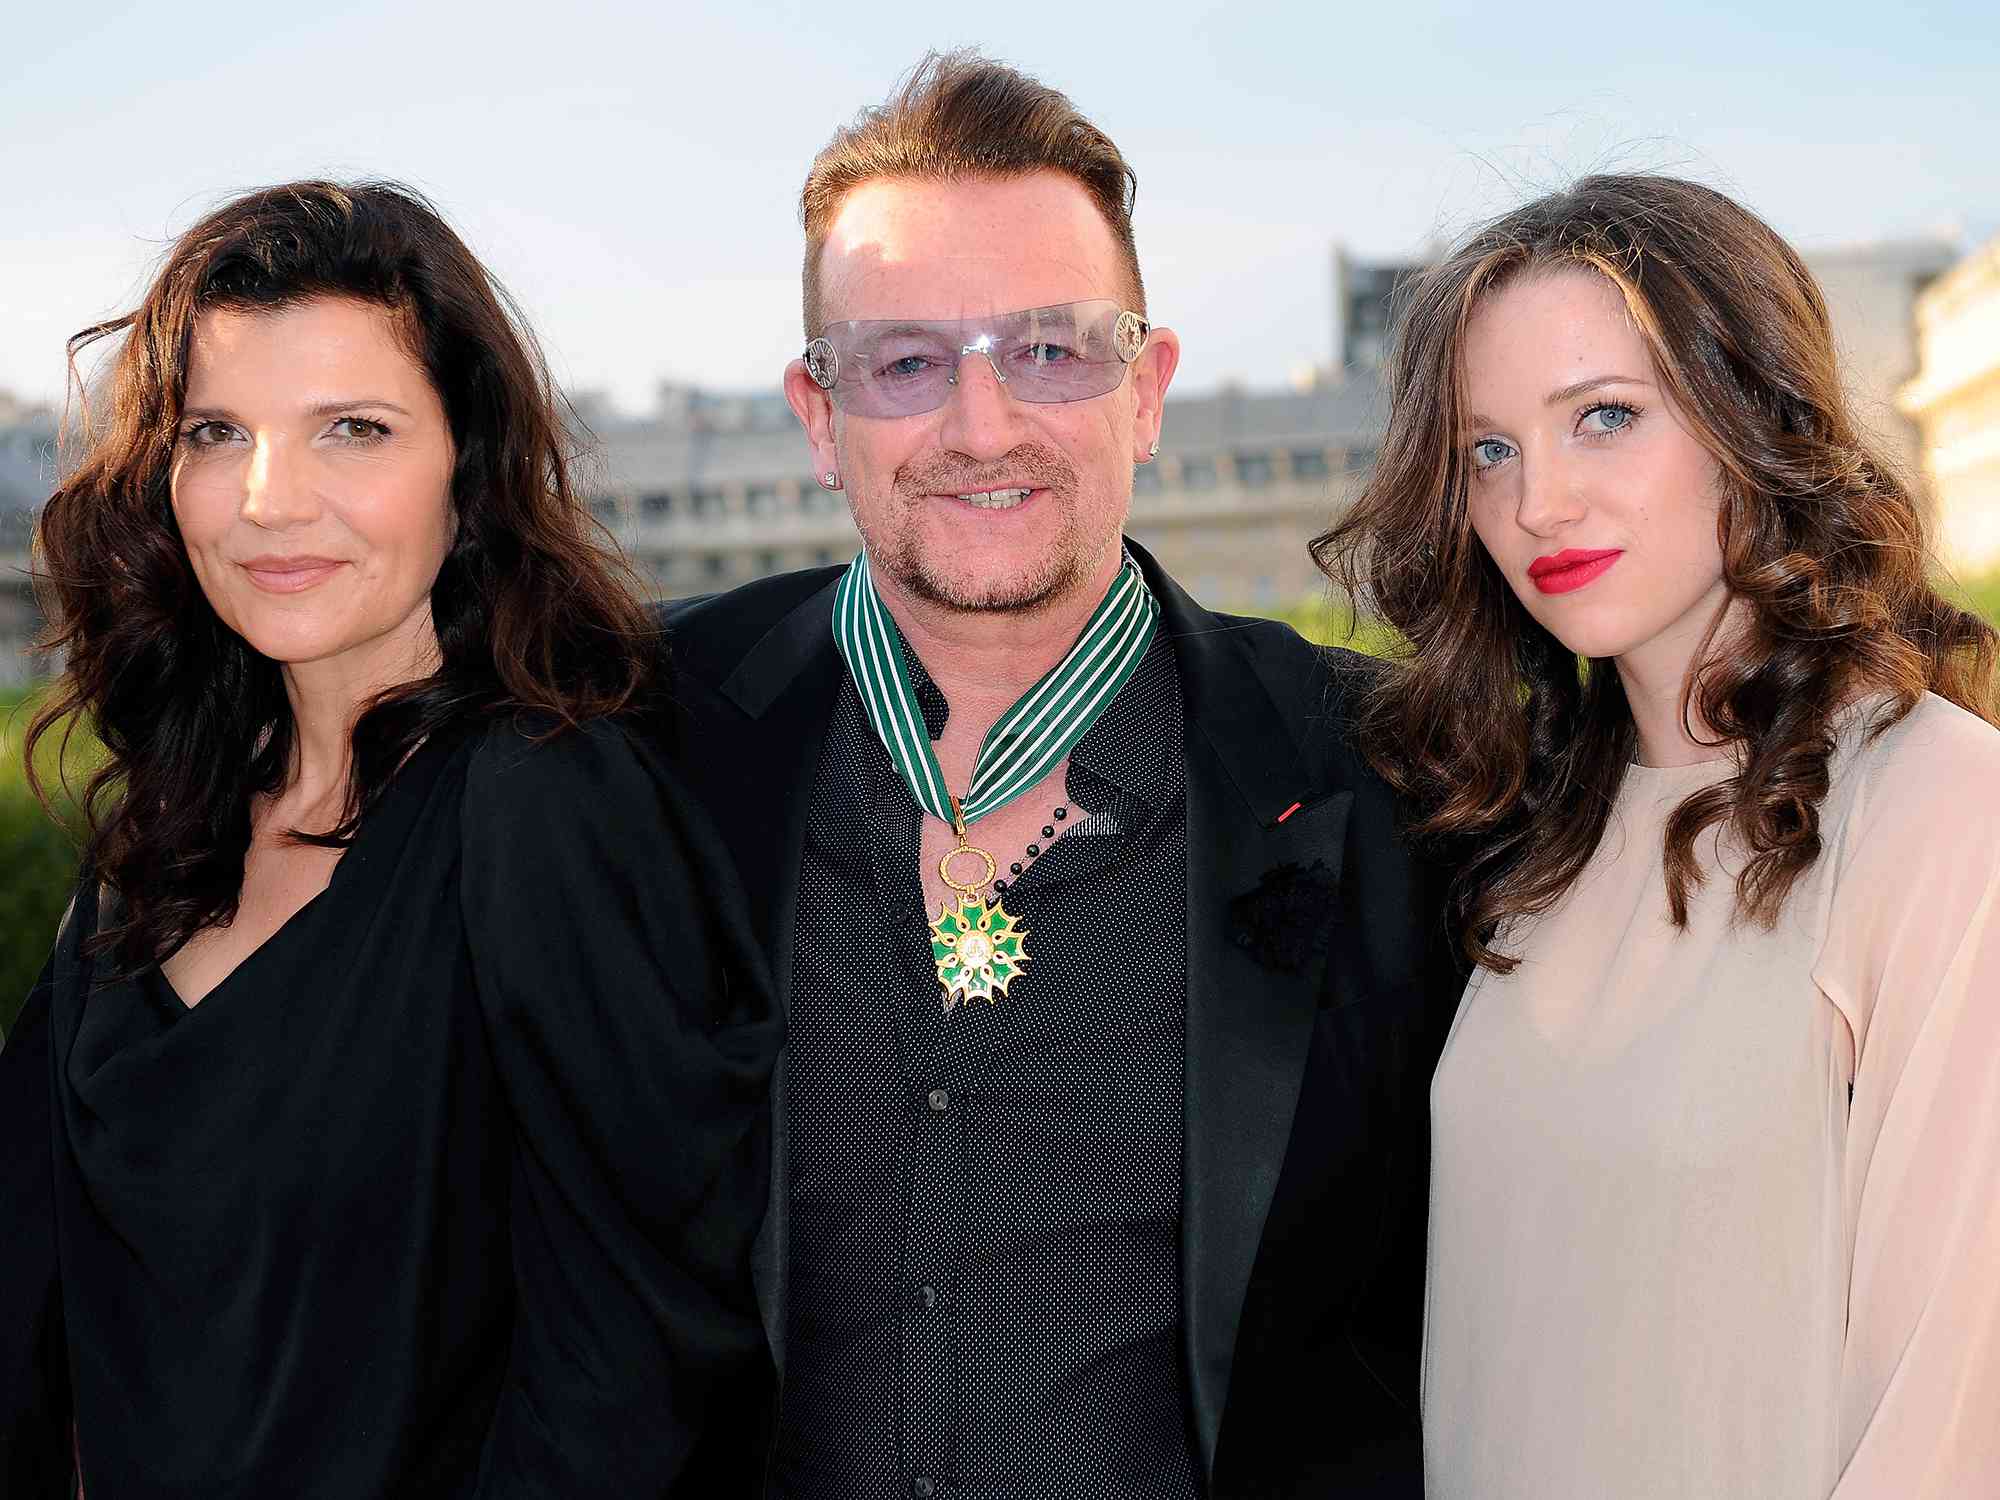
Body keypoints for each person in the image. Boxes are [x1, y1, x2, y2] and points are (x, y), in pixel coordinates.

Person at [660, 52, 1460, 1500]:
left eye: (1051, 350)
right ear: (817, 412)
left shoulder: (1399, 775)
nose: (982, 428)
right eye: (905, 362)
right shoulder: (631, 743)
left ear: (1147, 389)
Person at [0, 181, 781, 1498]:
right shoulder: (157, 832)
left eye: (351, 430)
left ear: (465, 471)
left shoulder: (544, 805)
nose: (270, 500)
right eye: (216, 431)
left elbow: (633, 1361)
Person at [1317, 173, 2000, 1498]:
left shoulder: (1936, 806)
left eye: (1605, 419)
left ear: (1753, 417)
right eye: (1488, 450)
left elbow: (1955, 1414)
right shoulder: (1524, 838)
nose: (1539, 505)